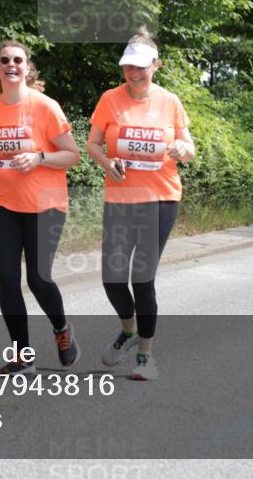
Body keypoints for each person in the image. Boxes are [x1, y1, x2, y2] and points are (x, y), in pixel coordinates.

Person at [86, 27, 195, 381]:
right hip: (120, 198)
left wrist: (182, 149)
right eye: (128, 66)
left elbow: (189, 149)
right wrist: (108, 164)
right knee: (112, 278)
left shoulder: (170, 101)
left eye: (141, 67)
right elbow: (92, 144)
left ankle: (146, 357)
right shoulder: (110, 99)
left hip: (160, 198)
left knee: (142, 277)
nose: (133, 73)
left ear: (156, 65)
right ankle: (128, 330)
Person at [0, 40, 81, 375]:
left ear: (28, 68)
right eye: (4, 60)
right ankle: (22, 355)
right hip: (3, 202)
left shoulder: (45, 107)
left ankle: (61, 329)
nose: (11, 64)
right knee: (7, 278)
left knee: (38, 278)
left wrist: (39, 157)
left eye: (18, 60)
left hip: (45, 203)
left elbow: (72, 155)